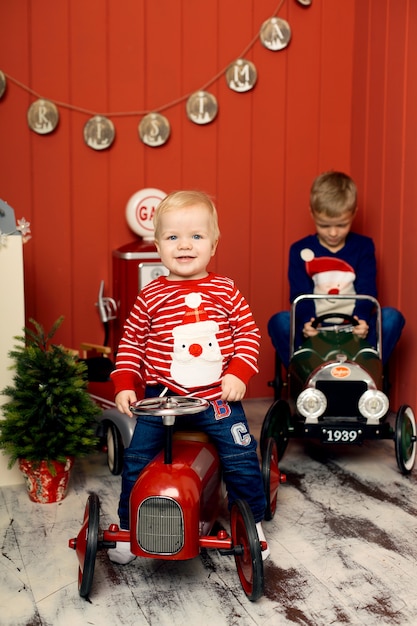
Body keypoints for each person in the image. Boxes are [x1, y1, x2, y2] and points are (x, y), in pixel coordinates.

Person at [108, 190, 268, 565]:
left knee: (241, 456)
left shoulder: (225, 290)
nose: (184, 245)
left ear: (213, 244)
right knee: (136, 460)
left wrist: (238, 373)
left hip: (216, 399)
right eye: (173, 237)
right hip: (162, 397)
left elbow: (248, 335)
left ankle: (251, 522)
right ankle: (129, 528)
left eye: (196, 236)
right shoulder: (151, 296)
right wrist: (125, 385)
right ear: (158, 246)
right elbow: (130, 344)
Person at [268, 170, 405, 371]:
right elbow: (299, 293)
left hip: (355, 328)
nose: (333, 233)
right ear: (312, 213)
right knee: (280, 321)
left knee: (392, 317)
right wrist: (308, 323)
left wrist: (362, 320)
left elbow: (367, 289)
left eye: (342, 225)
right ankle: (304, 373)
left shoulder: (363, 246)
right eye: (325, 226)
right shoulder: (299, 249)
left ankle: (368, 371)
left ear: (353, 214)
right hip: (315, 328)